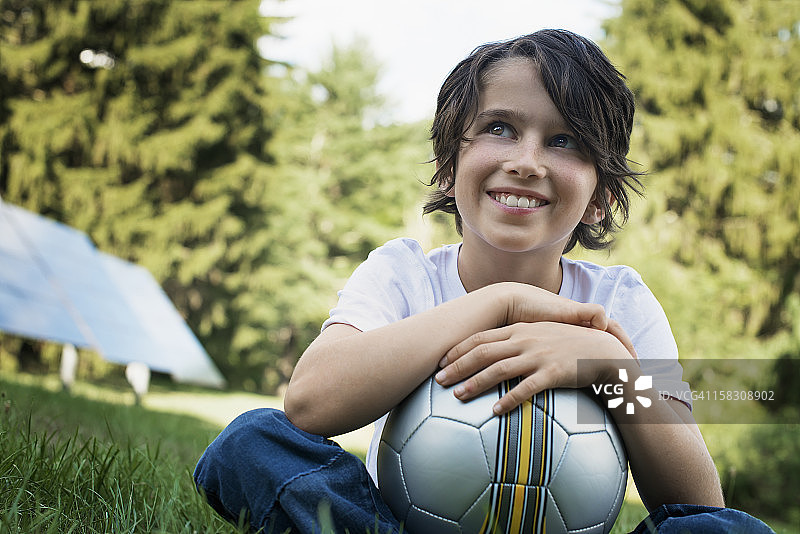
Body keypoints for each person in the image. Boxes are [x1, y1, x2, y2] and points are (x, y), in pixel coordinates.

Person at [194, 29, 774, 534]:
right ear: (449, 166)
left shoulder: (619, 302)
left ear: (599, 197)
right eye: (500, 128)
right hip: (394, 525)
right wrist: (502, 304)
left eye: (564, 140)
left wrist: (606, 366)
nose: (526, 161)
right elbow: (310, 404)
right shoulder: (403, 274)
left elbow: (699, 504)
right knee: (251, 445)